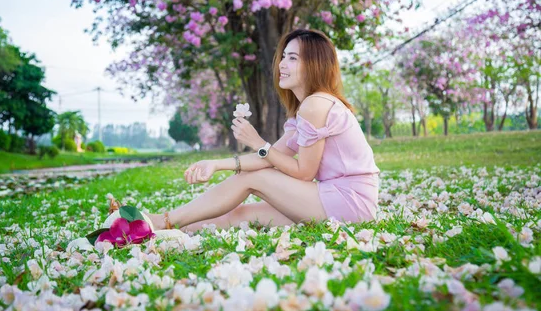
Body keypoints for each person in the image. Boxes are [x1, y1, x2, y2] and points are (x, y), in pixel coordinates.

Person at [146, 29, 380, 233]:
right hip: (333, 198)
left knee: (254, 179)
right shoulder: (305, 108)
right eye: (284, 56)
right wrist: (216, 164)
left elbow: (303, 172)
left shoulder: (316, 105)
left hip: (350, 203)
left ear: (314, 65)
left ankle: (163, 220)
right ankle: (165, 229)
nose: (282, 64)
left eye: (293, 58)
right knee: (244, 214)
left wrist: (259, 143)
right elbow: (267, 159)